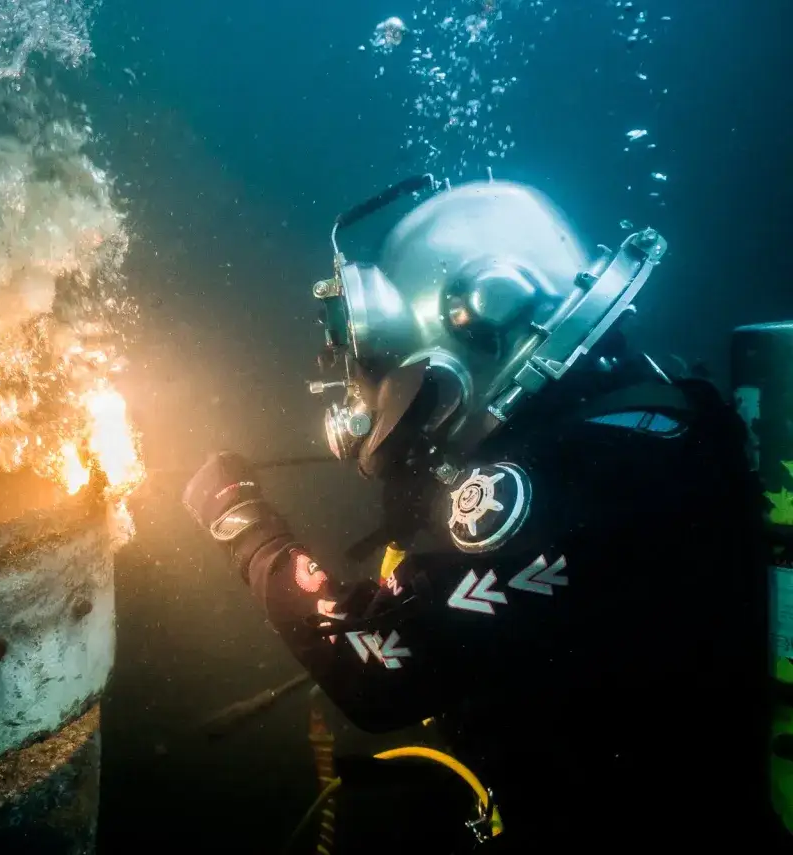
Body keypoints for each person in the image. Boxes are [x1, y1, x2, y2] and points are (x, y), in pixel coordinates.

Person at [183, 178, 773, 852]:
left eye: (376, 362)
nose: (367, 385)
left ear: (477, 320)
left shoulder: (567, 484)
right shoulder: (640, 419)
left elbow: (374, 674)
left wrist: (244, 527)